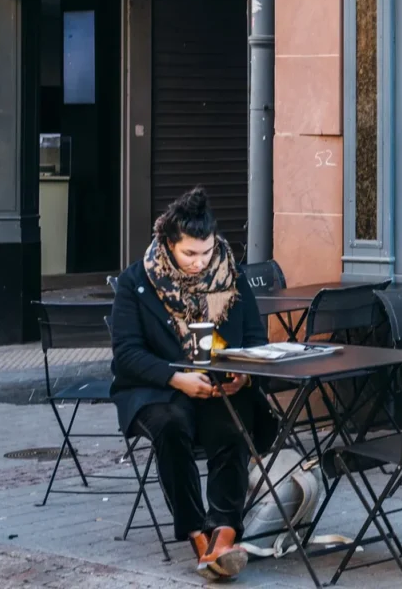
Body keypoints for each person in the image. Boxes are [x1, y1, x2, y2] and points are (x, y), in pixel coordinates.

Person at [110, 187, 273, 581]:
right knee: (171, 427)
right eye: (189, 253)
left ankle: (224, 534)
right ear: (169, 243)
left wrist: (244, 374)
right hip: (157, 387)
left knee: (233, 422)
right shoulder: (137, 282)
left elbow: (256, 339)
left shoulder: (233, 277)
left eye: (207, 251)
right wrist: (176, 378)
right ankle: (198, 534)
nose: (200, 262)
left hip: (219, 385)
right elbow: (126, 354)